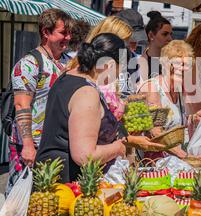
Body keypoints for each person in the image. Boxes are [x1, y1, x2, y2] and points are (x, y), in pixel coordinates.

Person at [36, 33, 163, 182]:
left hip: (50, 175)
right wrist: (118, 148)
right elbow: (85, 155)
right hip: (66, 185)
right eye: (119, 71)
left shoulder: (66, 76)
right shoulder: (87, 93)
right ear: (108, 65)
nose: (118, 77)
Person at [6, 8, 73, 194]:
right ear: (46, 32)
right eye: (63, 33)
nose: (68, 37)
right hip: (31, 146)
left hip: (58, 144)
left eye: (69, 33)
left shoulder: (70, 63)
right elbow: (21, 105)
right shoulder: (29, 64)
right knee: (20, 201)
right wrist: (27, 145)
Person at [139, 40, 201, 159]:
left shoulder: (178, 91)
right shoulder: (153, 89)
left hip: (175, 163)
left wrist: (193, 118)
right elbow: (156, 133)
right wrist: (185, 156)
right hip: (153, 166)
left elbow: (174, 124)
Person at [140, 14, 173, 80]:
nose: (170, 38)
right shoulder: (139, 64)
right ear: (151, 35)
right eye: (165, 34)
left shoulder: (172, 63)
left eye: (170, 34)